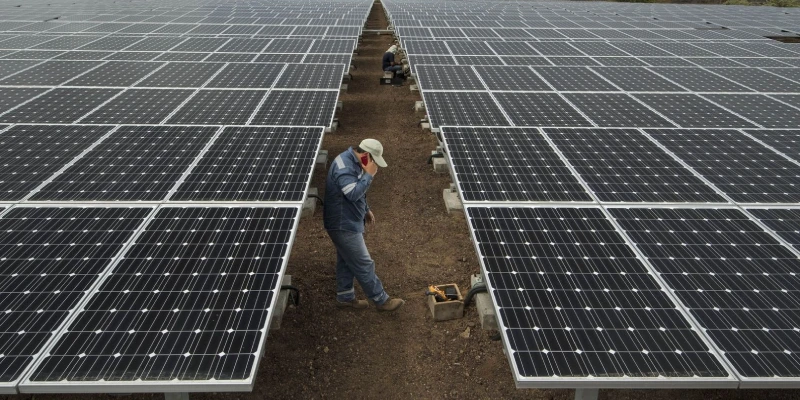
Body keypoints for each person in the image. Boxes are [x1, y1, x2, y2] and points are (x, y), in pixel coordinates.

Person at [323, 139, 405, 312]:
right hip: (342, 223)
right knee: (363, 262)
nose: (374, 165)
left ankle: (345, 297)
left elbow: (355, 189)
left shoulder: (353, 161)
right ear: (366, 155)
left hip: (348, 219)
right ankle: (381, 300)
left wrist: (366, 209)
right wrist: (369, 175)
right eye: (373, 160)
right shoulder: (344, 167)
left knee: (346, 259)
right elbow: (352, 193)